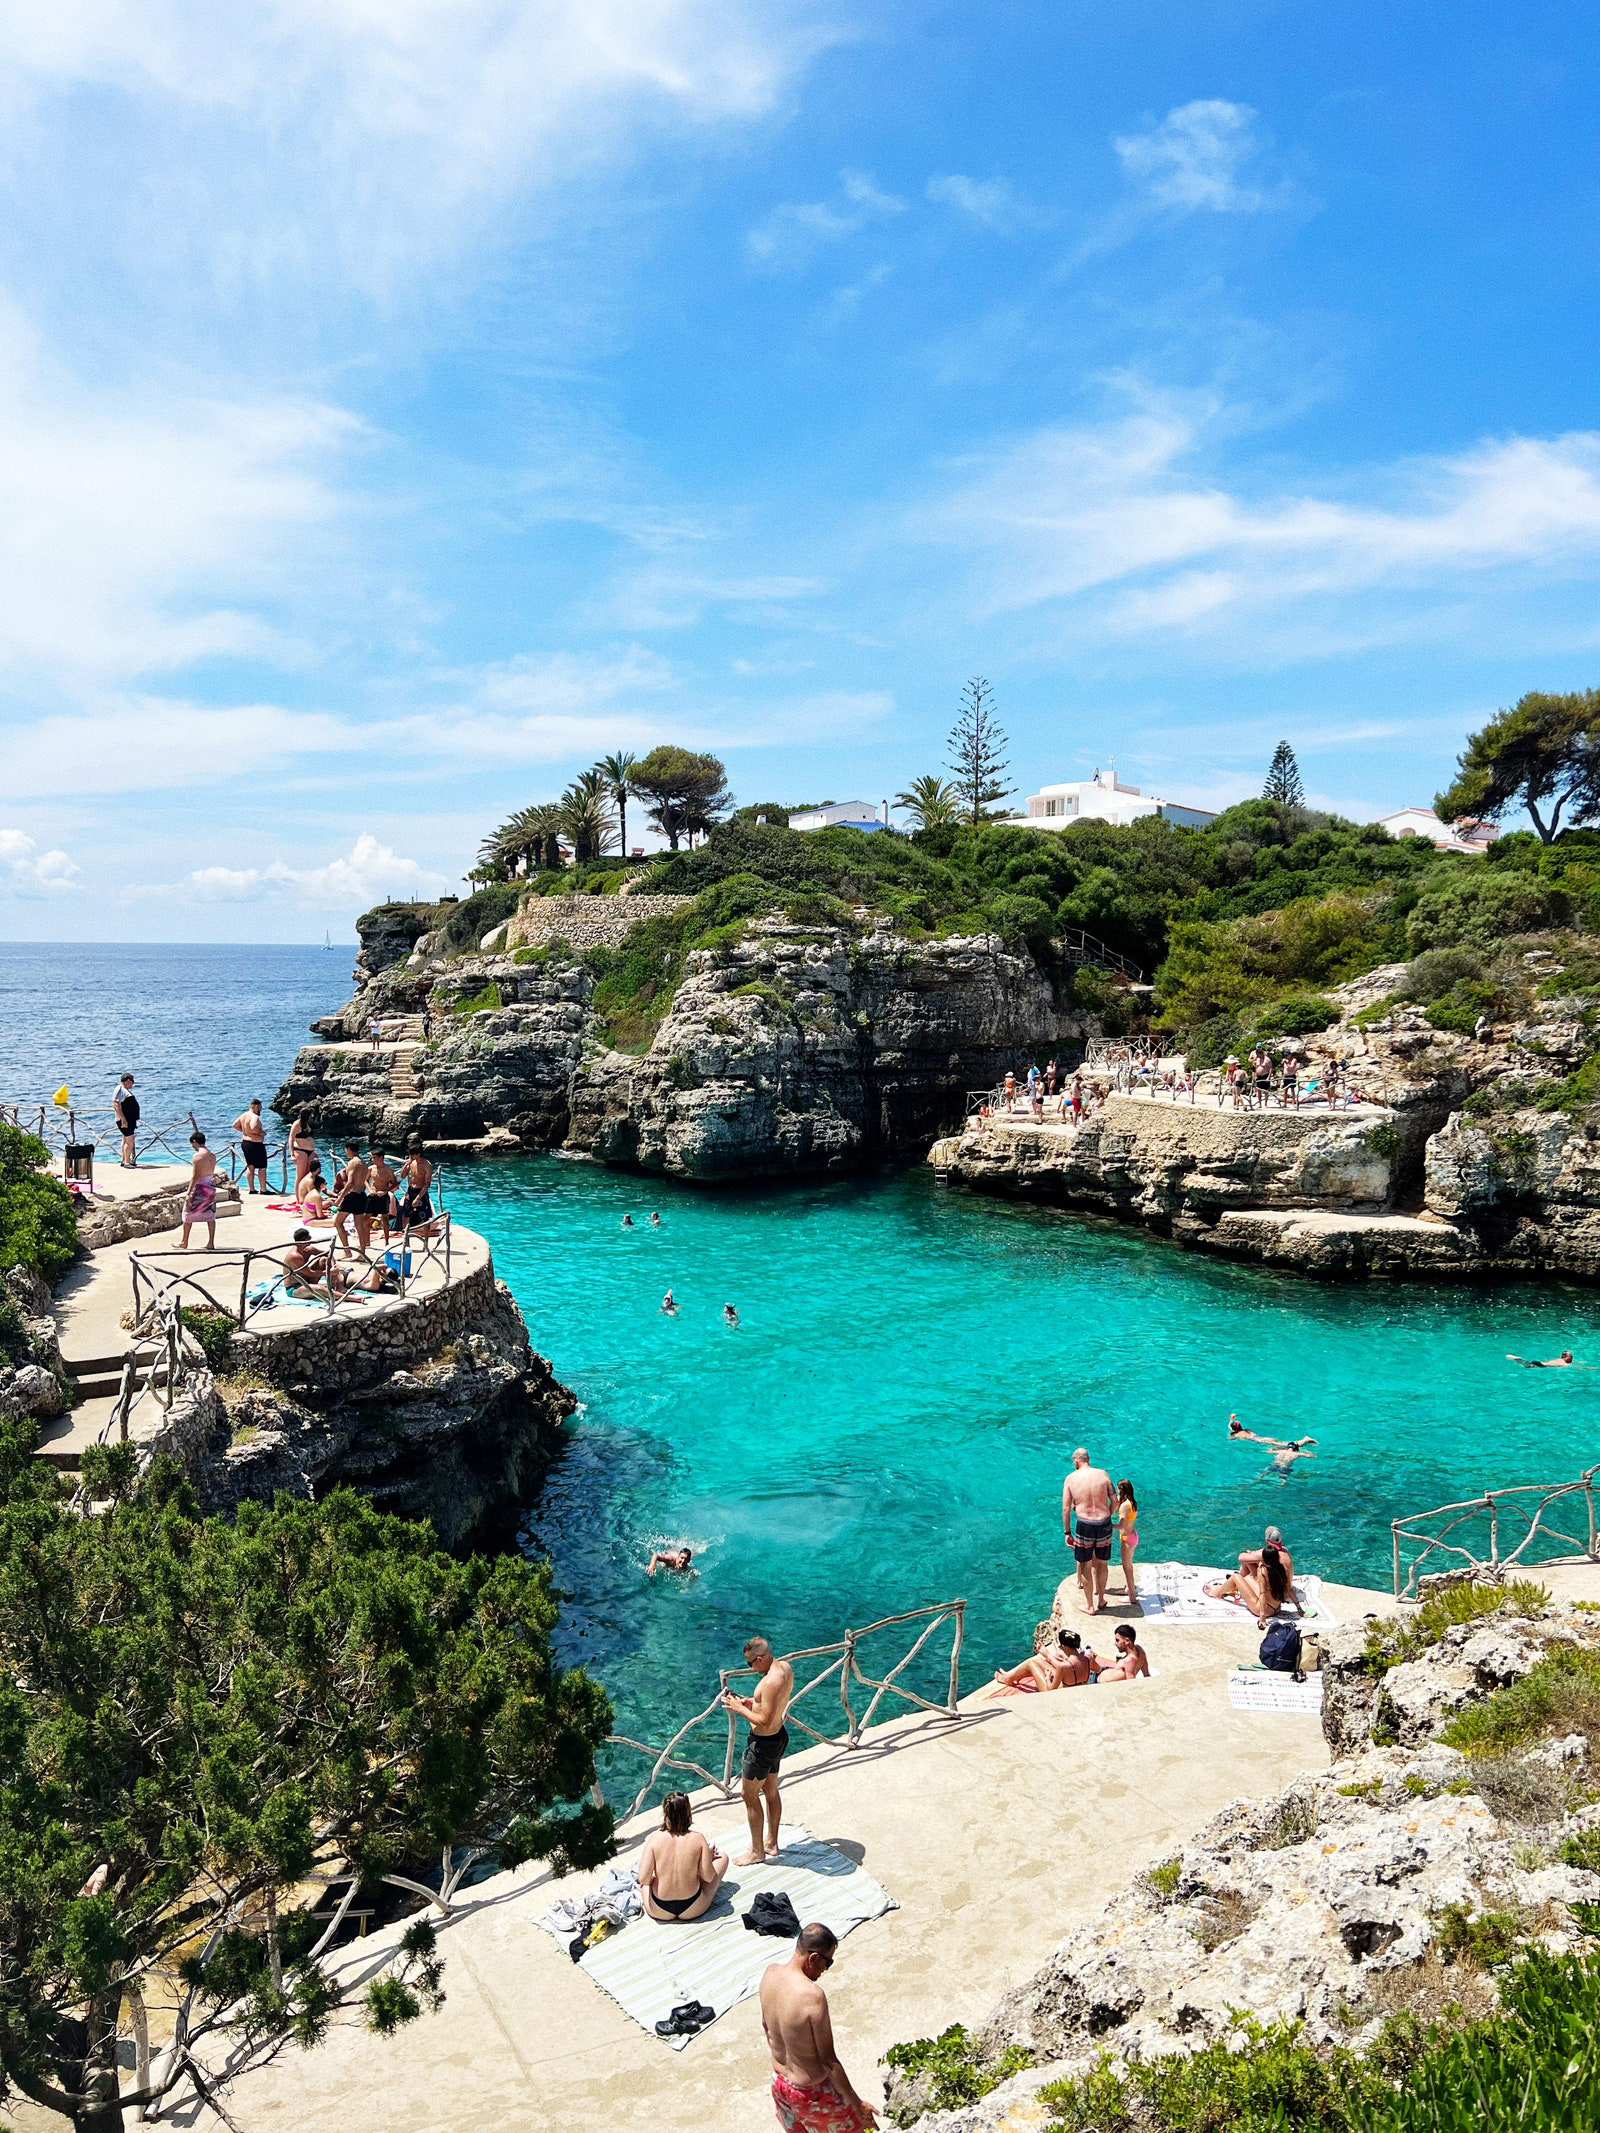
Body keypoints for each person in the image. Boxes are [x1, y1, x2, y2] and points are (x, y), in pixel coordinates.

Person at [761, 1922, 877, 2132]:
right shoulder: (812, 1997)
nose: (826, 1969)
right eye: (828, 1962)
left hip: (780, 2086)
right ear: (813, 1958)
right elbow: (829, 2061)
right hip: (811, 2095)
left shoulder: (770, 1974)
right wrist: (857, 2104)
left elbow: (767, 2028)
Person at [722, 1634, 794, 1864]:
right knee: (771, 1790)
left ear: (760, 1658)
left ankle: (757, 1851)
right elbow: (770, 1707)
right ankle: (771, 1842)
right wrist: (750, 1703)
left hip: (762, 1745)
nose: (750, 1667)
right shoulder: (785, 1668)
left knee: (749, 1795)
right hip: (778, 1737)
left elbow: (763, 1719)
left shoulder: (770, 1681)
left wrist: (738, 1708)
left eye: (750, 1663)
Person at [637, 1792, 728, 1923]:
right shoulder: (698, 1838)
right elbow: (708, 1877)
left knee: (645, 1885)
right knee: (723, 1858)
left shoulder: (654, 1839)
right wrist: (708, 1857)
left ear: (666, 1815)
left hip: (659, 1909)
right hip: (693, 1907)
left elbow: (643, 1879)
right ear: (688, 1814)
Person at [1064, 1447, 1117, 1615]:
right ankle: (1101, 1599)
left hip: (1085, 1525)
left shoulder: (1071, 1478)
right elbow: (1115, 1501)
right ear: (1088, 1459)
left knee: (1086, 1565)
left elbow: (1066, 1508)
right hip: (1104, 1523)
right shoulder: (1103, 1475)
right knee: (1102, 1563)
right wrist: (1107, 1514)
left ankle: (1090, 1606)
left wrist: (1067, 1533)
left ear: (1076, 1461)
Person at [1206, 1542, 1292, 1626]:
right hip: (1276, 1607)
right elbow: (1289, 1589)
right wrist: (1298, 1608)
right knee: (1247, 1578)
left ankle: (1217, 1593)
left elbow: (1262, 1594)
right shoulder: (1282, 1568)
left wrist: (1262, 1617)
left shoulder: (1263, 1571)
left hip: (1263, 1610)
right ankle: (1233, 1588)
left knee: (1236, 1577)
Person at [992, 1627, 1099, 1693]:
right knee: (1039, 1662)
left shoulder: (1064, 1667)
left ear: (1065, 1647)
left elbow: (1050, 1690)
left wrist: (1048, 1677)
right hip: (1076, 1690)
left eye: (1060, 1646)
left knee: (1031, 1663)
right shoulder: (1088, 1658)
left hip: (1059, 1696)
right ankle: (1010, 1676)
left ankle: (1008, 1678)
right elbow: (1097, 1669)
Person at [179, 1131, 218, 1251]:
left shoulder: (197, 1157)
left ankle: (184, 1242)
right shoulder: (212, 1155)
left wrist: (188, 1193)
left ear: (194, 1142)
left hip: (200, 1187)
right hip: (210, 1186)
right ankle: (211, 1242)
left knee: (187, 1214)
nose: (192, 1147)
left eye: (192, 1144)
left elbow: (195, 1176)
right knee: (210, 1216)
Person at [333, 1143, 373, 1257]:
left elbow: (350, 1183)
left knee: (338, 1222)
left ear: (349, 1149)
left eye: (346, 1149)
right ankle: (362, 1253)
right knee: (359, 1226)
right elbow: (361, 1182)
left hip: (353, 1196)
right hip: (361, 1195)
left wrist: (339, 1199)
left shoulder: (352, 1163)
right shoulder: (364, 1164)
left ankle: (347, 1251)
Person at [232, 1098, 270, 1194]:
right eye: (260, 1108)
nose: (260, 1110)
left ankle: (252, 1189)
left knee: (250, 1166)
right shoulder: (254, 1117)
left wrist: (245, 1131)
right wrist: (260, 1133)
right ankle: (263, 1189)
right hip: (255, 1144)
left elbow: (235, 1125)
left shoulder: (244, 1115)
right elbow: (253, 1127)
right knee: (262, 1167)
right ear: (256, 1106)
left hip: (245, 1143)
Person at [396, 1145, 435, 1235]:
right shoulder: (412, 1162)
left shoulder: (427, 1165)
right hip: (411, 1190)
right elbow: (402, 1176)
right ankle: (406, 1241)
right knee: (406, 1216)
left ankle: (426, 1243)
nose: (411, 1157)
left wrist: (418, 1198)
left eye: (412, 1155)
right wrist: (407, 1164)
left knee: (425, 1218)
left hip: (421, 1192)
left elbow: (427, 1184)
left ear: (418, 1154)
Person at [368, 1149, 399, 1244]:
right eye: (372, 1158)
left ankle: (386, 1241)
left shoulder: (388, 1170)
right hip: (372, 1194)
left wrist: (385, 1191)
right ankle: (366, 1239)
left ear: (381, 1158)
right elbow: (365, 1180)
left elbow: (395, 1183)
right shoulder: (371, 1168)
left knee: (385, 1218)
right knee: (366, 1217)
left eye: (375, 1158)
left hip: (383, 1195)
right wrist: (369, 1189)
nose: (373, 1160)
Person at [1115, 1479, 1139, 1602]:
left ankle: (1132, 1597)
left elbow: (1121, 1526)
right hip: (1133, 1536)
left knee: (1126, 1568)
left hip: (1127, 1539)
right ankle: (1129, 1589)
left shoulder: (1124, 1506)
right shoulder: (1132, 1503)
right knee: (1129, 1566)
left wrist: (1106, 1526)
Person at [113, 1074, 140, 1168]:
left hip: (129, 1119)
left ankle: (124, 1160)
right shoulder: (120, 1089)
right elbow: (116, 1105)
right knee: (129, 1140)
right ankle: (127, 1162)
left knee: (125, 1139)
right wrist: (123, 1119)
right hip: (125, 1120)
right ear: (128, 1081)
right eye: (132, 1081)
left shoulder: (123, 1090)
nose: (133, 1084)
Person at [288, 1116, 317, 1198]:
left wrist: (314, 1151)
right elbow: (291, 1138)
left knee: (309, 1174)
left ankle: (307, 1196)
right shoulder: (297, 1124)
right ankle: (298, 1198)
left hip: (310, 1152)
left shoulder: (308, 1124)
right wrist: (292, 1154)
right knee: (300, 1175)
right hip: (300, 1151)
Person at [1508, 1350, 1576, 1368]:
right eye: (1563, 1355)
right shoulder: (1564, 1363)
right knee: (1526, 1364)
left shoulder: (1564, 1362)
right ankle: (1516, 1358)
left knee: (1526, 1364)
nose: (1563, 1356)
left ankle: (1516, 1358)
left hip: (1540, 1364)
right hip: (1541, 1365)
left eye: (1565, 1355)